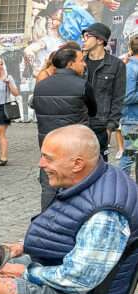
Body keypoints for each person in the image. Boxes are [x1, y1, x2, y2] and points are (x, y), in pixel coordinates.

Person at [0, 125, 138, 294]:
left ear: (77, 163)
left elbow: (78, 279)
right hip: (85, 280)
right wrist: (24, 247)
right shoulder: (96, 179)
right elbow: (72, 234)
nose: (40, 164)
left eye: (48, 158)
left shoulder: (105, 212)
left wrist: (26, 273)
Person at [31, 48, 97, 211]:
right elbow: (94, 111)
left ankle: (46, 223)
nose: (84, 64)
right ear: (70, 63)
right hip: (75, 147)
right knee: (78, 186)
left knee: (49, 186)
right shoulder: (82, 85)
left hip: (49, 145)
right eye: (81, 61)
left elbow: (37, 108)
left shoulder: (41, 86)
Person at [82, 22, 126, 161]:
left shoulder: (116, 65)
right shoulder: (79, 63)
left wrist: (110, 128)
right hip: (78, 123)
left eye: (88, 36)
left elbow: (118, 98)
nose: (84, 39)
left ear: (100, 40)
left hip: (100, 125)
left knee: (99, 167)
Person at [119, 36, 138, 179]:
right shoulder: (131, 68)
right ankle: (122, 193)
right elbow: (127, 97)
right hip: (133, 122)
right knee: (129, 157)